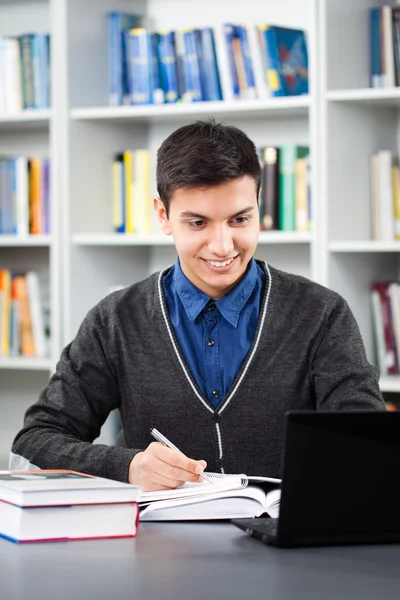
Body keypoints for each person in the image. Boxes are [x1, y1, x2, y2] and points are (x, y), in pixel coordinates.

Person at [10, 119, 386, 491]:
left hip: (289, 542)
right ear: (163, 215)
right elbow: (37, 439)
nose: (222, 246)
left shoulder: (321, 313)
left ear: (258, 207)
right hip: (159, 547)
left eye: (240, 219)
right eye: (198, 223)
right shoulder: (115, 321)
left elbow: (370, 443)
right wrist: (128, 466)